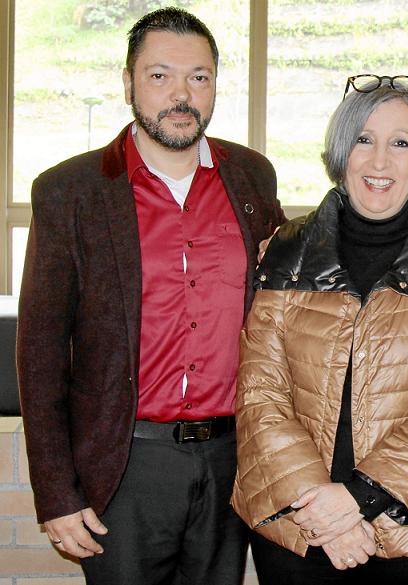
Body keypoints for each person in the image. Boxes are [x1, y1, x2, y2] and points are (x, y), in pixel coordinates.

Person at [16, 7, 284, 585]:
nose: (181, 95)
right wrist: (57, 492)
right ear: (129, 82)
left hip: (232, 456)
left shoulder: (252, 178)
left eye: (199, 77)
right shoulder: (71, 192)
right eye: (160, 76)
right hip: (124, 462)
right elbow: (39, 355)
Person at [230, 74, 408, 585]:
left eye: (400, 143)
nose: (379, 161)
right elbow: (260, 394)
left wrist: (359, 499)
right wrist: (323, 512)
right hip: (297, 523)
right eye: (363, 140)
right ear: (340, 150)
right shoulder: (287, 249)